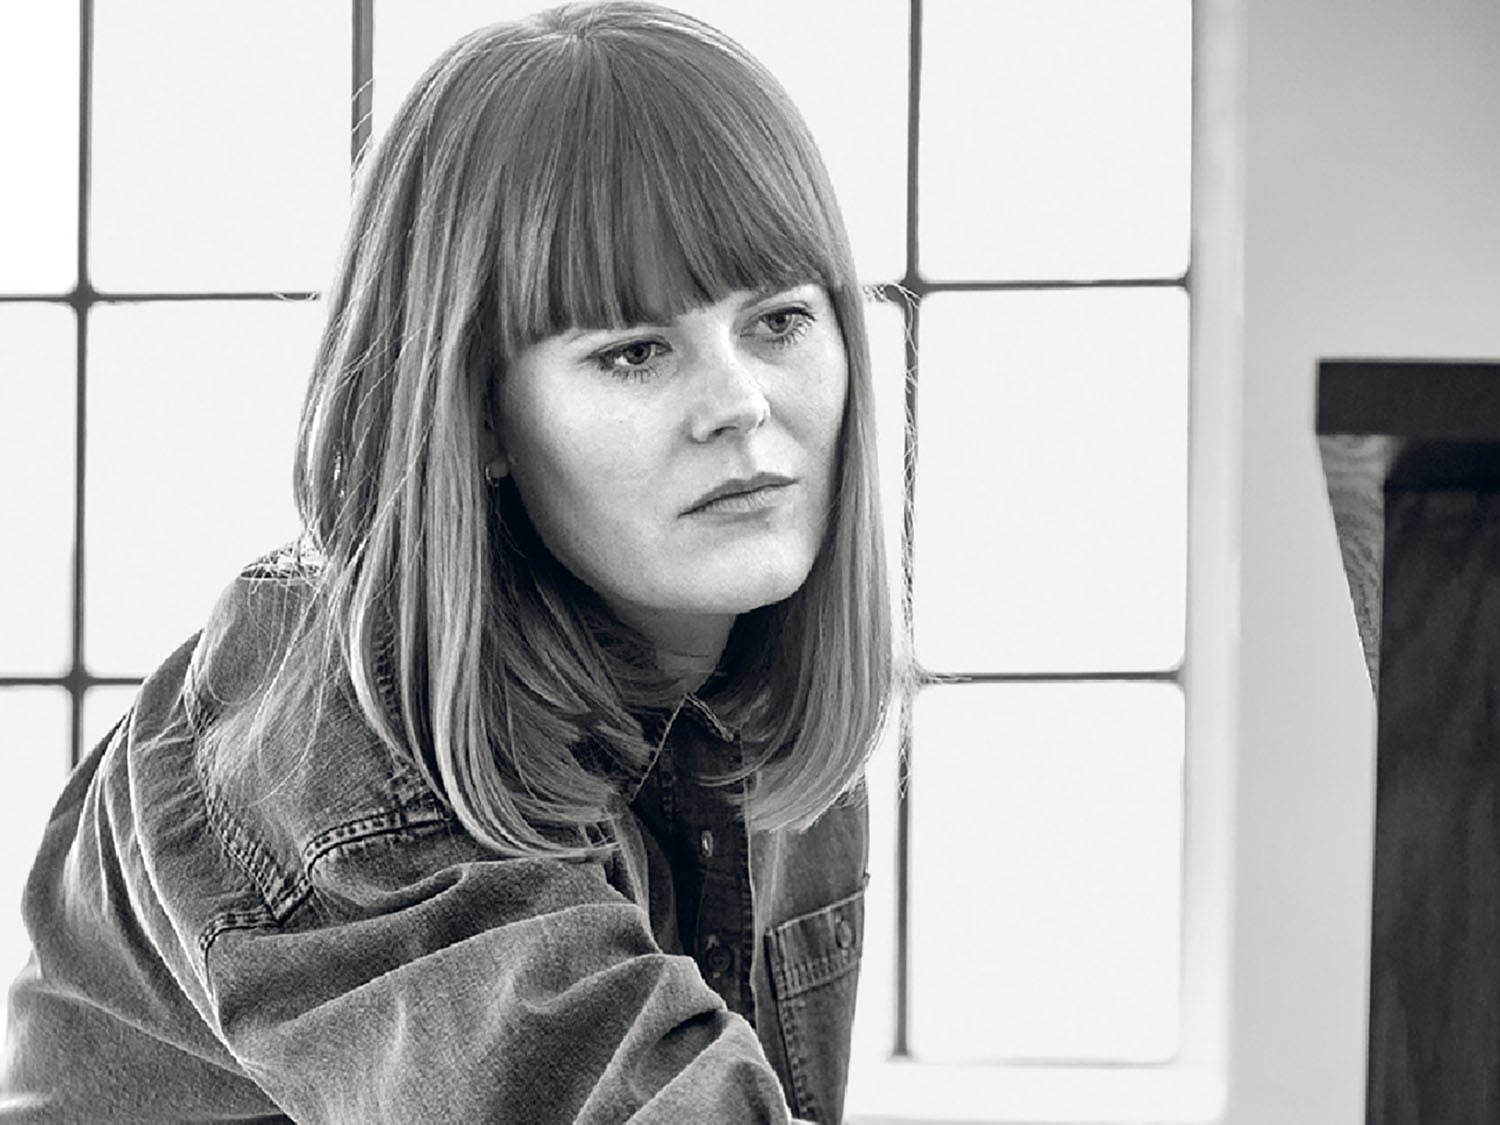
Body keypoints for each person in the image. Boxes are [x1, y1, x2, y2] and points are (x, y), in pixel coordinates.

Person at [0, 1, 906, 1120]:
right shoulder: (323, 729)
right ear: (473, 416)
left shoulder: (760, 702)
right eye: (633, 352)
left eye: (777, 321)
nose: (739, 404)